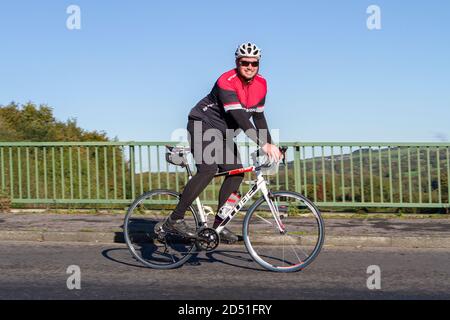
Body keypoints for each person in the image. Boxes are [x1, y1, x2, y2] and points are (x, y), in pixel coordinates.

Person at [163, 42, 282, 243]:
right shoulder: (226, 81)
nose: (250, 67)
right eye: (245, 62)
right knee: (208, 169)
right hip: (203, 124)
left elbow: (258, 118)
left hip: (224, 134)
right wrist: (263, 144)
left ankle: (219, 224)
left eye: (254, 63)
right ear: (237, 62)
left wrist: (271, 145)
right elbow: (241, 118)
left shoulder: (261, 84)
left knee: (237, 172)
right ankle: (174, 219)